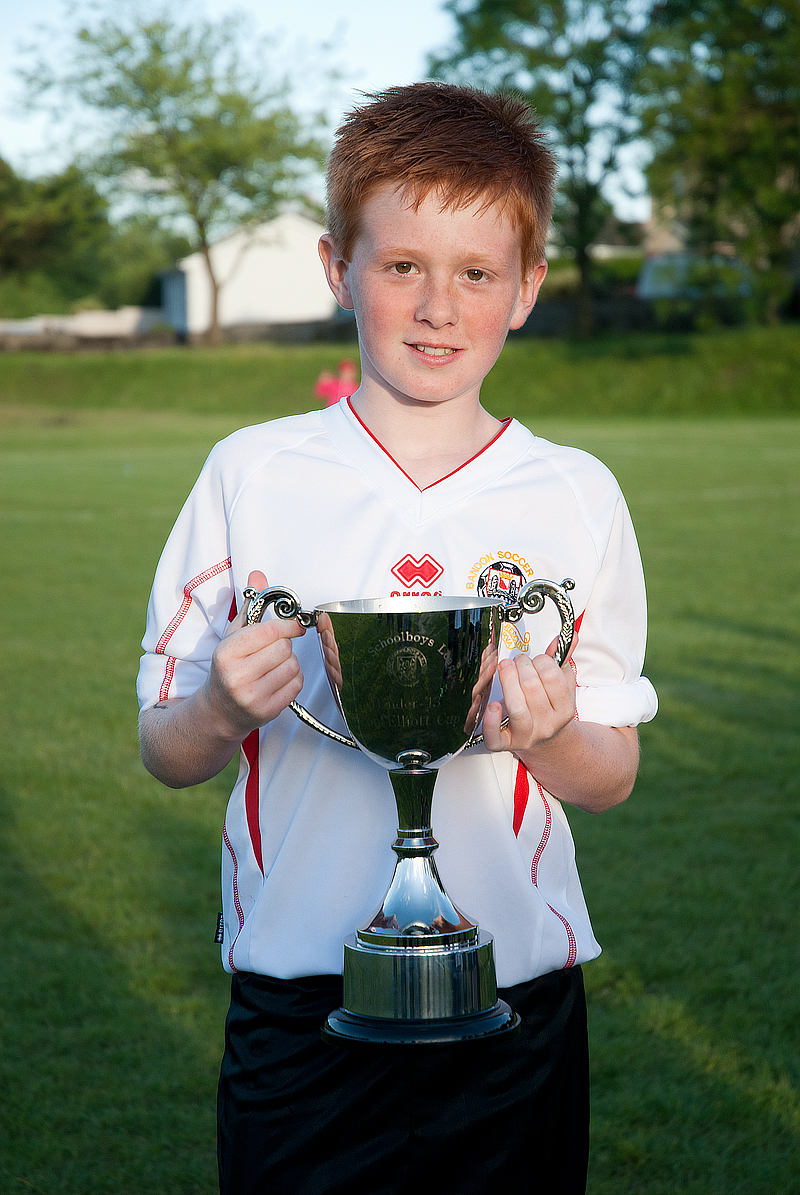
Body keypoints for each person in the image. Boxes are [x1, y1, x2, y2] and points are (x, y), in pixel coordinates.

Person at [137, 82, 657, 1195]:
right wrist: (218, 709)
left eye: (476, 274)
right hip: (302, 1006)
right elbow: (165, 750)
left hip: (513, 1004)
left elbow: (609, 774)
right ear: (339, 269)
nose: (436, 307)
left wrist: (551, 738)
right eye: (402, 265)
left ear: (527, 288)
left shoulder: (576, 492)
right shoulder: (251, 473)